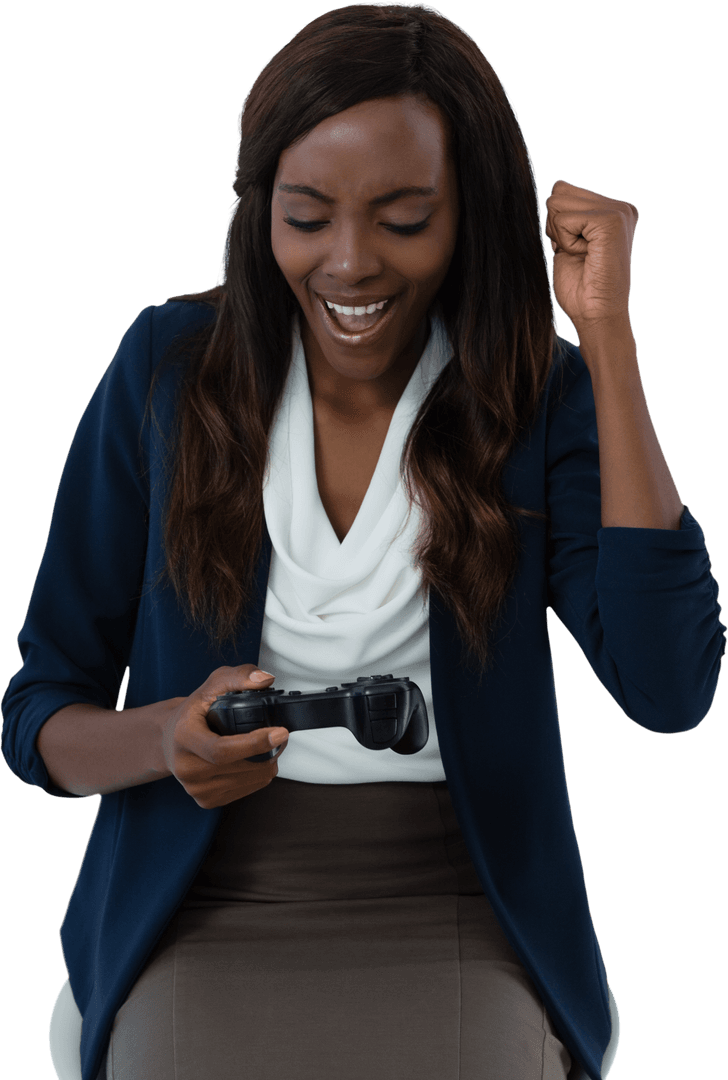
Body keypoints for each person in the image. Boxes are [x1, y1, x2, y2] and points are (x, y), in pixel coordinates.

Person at [2, 4, 725, 1080]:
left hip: (455, 891)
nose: (348, 265)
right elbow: (37, 711)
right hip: (199, 896)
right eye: (306, 217)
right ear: (260, 216)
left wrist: (603, 337)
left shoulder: (527, 401)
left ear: (467, 216)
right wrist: (165, 742)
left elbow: (667, 690)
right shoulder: (166, 372)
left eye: (401, 218)